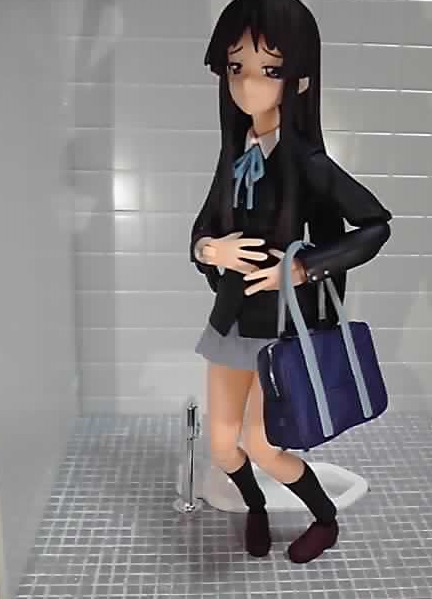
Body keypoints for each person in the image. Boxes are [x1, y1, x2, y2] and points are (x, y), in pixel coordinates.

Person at [190, 0, 392, 563]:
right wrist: (210, 249)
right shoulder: (235, 157)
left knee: (261, 444)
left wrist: (302, 267)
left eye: (269, 69)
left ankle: (324, 519)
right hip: (231, 320)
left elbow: (375, 225)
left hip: (281, 331)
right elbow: (201, 231)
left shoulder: (307, 162)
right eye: (236, 67)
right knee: (222, 447)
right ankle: (254, 507)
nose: (247, 84)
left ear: (299, 78)